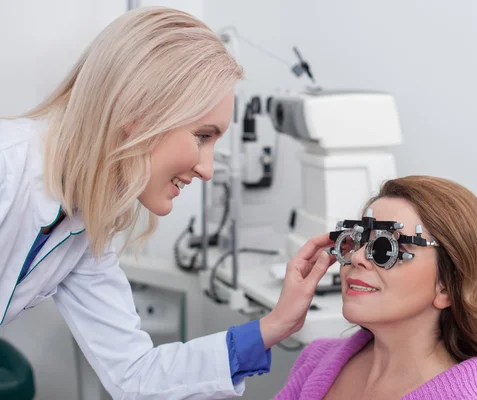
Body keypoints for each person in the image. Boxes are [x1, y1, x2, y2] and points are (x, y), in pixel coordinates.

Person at [0, 7, 336, 399]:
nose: (208, 169)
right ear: (139, 113)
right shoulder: (8, 168)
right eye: (202, 136)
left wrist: (274, 326)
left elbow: (135, 375)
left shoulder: (85, 227)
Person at [275, 176, 477, 400]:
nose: (358, 257)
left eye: (386, 249)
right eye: (358, 240)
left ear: (446, 287)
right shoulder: (316, 359)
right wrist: (276, 324)